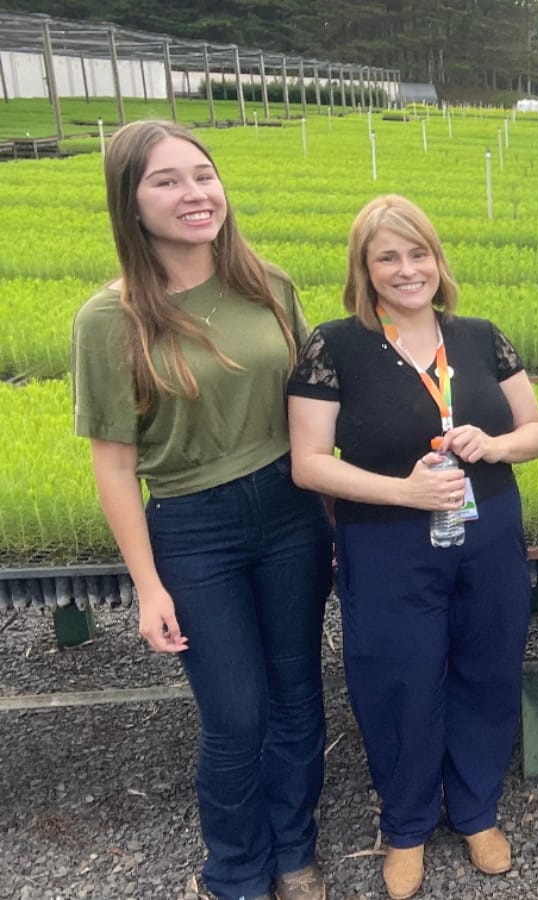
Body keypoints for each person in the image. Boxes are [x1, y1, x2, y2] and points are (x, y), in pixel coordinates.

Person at [71, 120, 334, 900]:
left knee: (296, 697)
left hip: (290, 510)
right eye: (166, 181)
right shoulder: (109, 320)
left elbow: (313, 412)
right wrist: (149, 586)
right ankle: (235, 869)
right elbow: (114, 464)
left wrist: (336, 519)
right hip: (193, 526)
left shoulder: (269, 285)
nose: (194, 194)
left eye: (202, 174)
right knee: (236, 714)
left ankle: (294, 852)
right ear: (130, 202)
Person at [286, 195, 538, 900]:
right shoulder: (335, 347)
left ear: (438, 260)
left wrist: (495, 444)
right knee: (399, 679)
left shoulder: (480, 338)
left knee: (487, 668)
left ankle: (475, 811)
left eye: (418, 253)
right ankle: (405, 826)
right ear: (365, 269)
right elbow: (308, 463)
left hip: (488, 536)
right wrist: (404, 492)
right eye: (388, 258)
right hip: (388, 542)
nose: (407, 270)